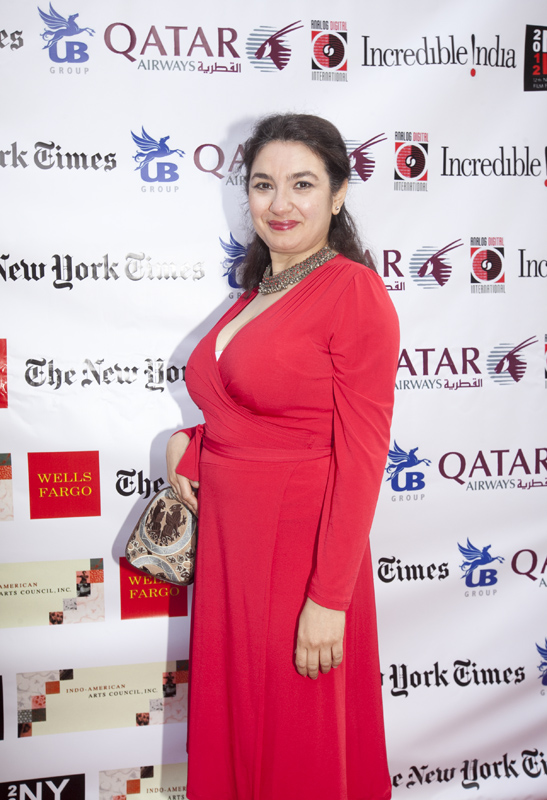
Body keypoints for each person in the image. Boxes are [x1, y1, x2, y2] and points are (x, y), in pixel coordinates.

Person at [166, 113, 399, 800]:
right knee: (238, 730)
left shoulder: (352, 291)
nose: (280, 203)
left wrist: (328, 598)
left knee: (297, 744)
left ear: (338, 193)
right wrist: (190, 443)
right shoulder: (256, 292)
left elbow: (362, 457)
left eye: (302, 183)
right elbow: (261, 420)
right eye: (263, 184)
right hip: (232, 557)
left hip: (302, 560)